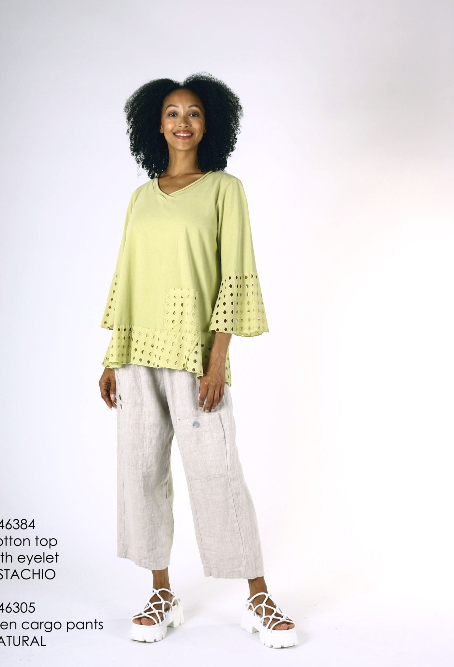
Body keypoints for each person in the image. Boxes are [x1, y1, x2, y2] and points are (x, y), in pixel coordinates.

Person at [98, 73, 297, 649]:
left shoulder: (223, 190)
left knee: (217, 472)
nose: (182, 122)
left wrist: (217, 360)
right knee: (141, 472)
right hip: (136, 354)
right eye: (171, 113)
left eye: (193, 113)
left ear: (209, 125)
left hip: (193, 356)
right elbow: (126, 278)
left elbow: (235, 273)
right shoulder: (141, 197)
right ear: (156, 125)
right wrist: (111, 356)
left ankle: (258, 597)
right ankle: (161, 592)